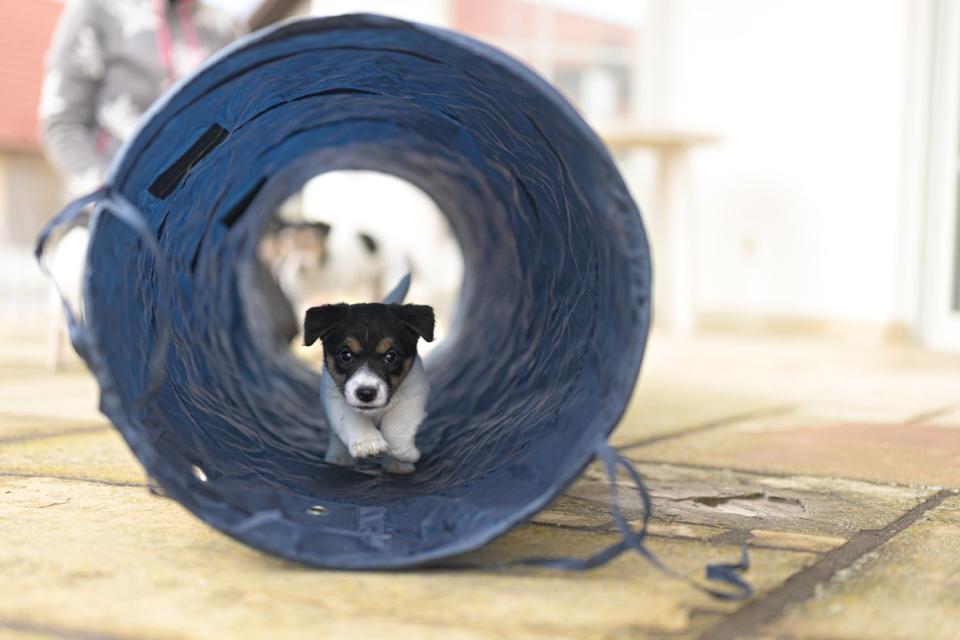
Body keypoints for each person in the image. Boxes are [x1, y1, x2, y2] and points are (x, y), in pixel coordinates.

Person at [40, 0, 244, 196]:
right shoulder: (97, 9)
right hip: (113, 207)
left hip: (204, 209)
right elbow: (62, 121)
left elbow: (244, 122)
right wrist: (103, 194)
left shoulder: (225, 28)